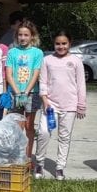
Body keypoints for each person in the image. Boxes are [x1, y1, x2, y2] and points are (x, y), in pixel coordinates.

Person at [36, 31, 87, 180]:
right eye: (58, 43)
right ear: (54, 44)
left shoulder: (76, 61)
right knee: (44, 133)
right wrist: (45, 100)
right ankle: (39, 163)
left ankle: (60, 167)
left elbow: (81, 85)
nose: (61, 46)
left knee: (64, 137)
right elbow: (43, 81)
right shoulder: (47, 60)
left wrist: (81, 105)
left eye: (64, 43)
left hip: (69, 105)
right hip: (50, 105)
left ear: (69, 43)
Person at [6, 20, 44, 163]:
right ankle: (17, 157)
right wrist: (17, 92)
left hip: (31, 93)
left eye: (26, 35)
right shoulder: (12, 52)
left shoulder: (37, 53)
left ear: (32, 36)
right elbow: (9, 74)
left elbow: (36, 73)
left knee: (29, 125)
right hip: (15, 93)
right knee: (17, 126)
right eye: (20, 35)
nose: (23, 38)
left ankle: (28, 157)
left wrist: (26, 92)